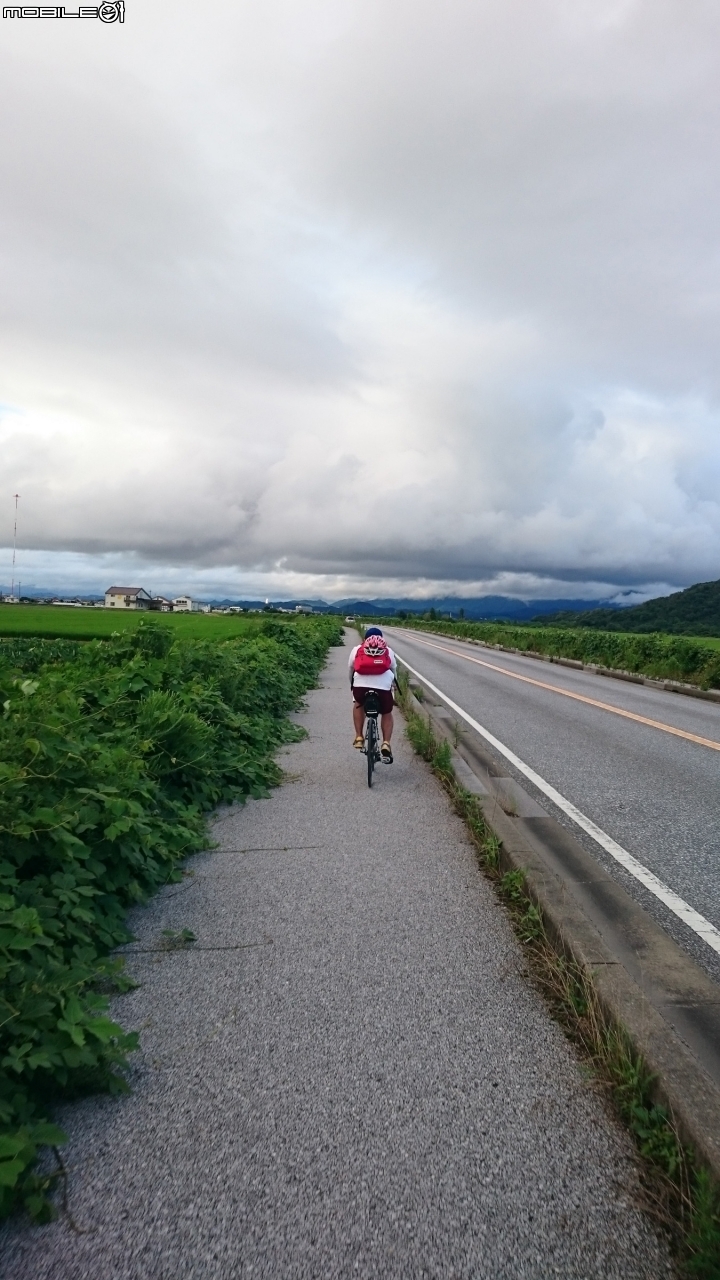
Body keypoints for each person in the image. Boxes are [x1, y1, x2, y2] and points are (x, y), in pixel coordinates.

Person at [349, 626, 397, 762]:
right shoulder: (388, 651)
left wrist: (352, 685)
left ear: (365, 639)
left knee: (358, 703)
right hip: (383, 688)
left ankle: (359, 737)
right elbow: (393, 671)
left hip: (360, 687)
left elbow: (351, 669)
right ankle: (386, 743)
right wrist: (394, 686)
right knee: (387, 712)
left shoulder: (357, 649)